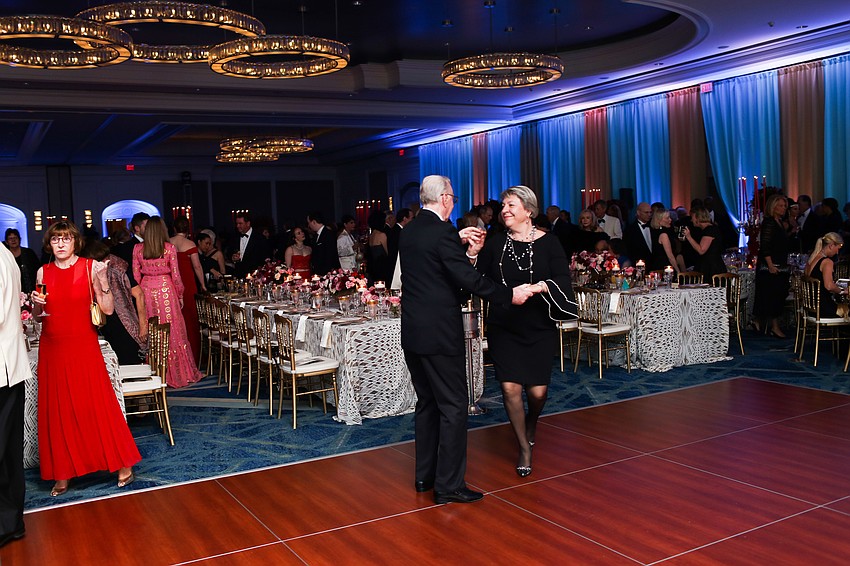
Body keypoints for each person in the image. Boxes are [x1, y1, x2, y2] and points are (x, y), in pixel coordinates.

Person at [399, 174, 534, 505]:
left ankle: (424, 476)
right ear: (445, 199)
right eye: (453, 198)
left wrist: (463, 247)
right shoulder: (442, 233)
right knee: (454, 406)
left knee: (427, 403)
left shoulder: (411, 230)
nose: (453, 203)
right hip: (439, 334)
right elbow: (468, 281)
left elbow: (437, 269)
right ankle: (448, 485)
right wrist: (509, 295)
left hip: (414, 331)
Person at [31, 221, 140, 497]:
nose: (61, 244)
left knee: (96, 404)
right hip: (52, 348)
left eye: (66, 239)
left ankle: (122, 463)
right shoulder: (43, 271)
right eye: (55, 239)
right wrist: (36, 306)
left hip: (83, 345)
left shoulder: (90, 267)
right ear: (49, 244)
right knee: (59, 410)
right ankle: (62, 472)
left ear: (75, 242)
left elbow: (108, 310)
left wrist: (102, 281)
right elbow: (38, 317)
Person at [477, 186, 576, 478]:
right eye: (504, 206)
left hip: (539, 324)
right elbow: (477, 278)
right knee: (510, 388)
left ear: (528, 211)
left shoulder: (550, 243)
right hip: (504, 325)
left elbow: (563, 279)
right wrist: (472, 253)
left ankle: (531, 423)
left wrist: (539, 287)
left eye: (511, 205)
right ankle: (523, 447)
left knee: (538, 392)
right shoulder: (495, 243)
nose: (504, 210)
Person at [133, 216, 202, 388]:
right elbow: (176, 276)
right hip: (166, 291)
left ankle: (155, 371)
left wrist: (141, 294)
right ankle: (178, 373)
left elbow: (135, 276)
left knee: (153, 329)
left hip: (146, 291)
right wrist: (180, 295)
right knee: (173, 331)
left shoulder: (138, 248)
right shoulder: (169, 248)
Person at [0, 243, 30, 546]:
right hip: (8, 368)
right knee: (8, 451)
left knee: (5, 450)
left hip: (2, 369)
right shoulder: (5, 254)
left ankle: (7, 524)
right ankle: (11, 523)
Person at [79, 240, 147, 365]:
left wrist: (143, 326)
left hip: (123, 321)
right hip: (104, 322)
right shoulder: (92, 270)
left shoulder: (118, 268)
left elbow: (139, 294)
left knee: (127, 359)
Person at [169, 217, 206, 364]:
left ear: (174, 228)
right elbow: (197, 266)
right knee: (190, 319)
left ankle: (177, 357)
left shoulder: (167, 242)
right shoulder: (190, 244)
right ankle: (192, 356)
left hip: (172, 282)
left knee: (175, 318)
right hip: (188, 283)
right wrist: (202, 284)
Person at [753, 194, 791, 337]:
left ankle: (760, 322)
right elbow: (765, 246)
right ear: (773, 207)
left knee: (777, 295)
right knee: (772, 295)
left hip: (780, 263)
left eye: (784, 206)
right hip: (771, 265)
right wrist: (770, 265)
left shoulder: (779, 222)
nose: (783, 208)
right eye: (780, 206)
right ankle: (774, 327)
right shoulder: (769, 222)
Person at [804, 232, 845, 318]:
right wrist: (842, 291)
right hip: (824, 308)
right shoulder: (827, 262)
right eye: (837, 248)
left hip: (811, 308)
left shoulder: (811, 260)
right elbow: (829, 286)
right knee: (847, 310)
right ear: (831, 246)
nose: (837, 252)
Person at [682, 207, 727, 281]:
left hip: (711, 268)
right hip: (707, 265)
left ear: (698, 217)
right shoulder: (705, 230)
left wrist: (689, 237)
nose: (691, 220)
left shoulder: (710, 230)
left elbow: (701, 250)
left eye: (692, 217)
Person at [231, 212, 272, 279]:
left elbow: (265, 258)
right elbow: (229, 252)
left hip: (255, 277)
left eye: (240, 223)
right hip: (239, 276)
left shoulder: (260, 238)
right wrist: (233, 257)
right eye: (237, 224)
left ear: (248, 223)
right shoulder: (235, 237)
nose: (237, 226)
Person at [3, 229, 39, 295]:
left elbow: (37, 269)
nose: (13, 240)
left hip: (30, 290)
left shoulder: (29, 253)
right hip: (13, 290)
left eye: (15, 238)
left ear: (20, 239)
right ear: (7, 242)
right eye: (10, 238)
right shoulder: (5, 256)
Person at [648, 209, 682, 273]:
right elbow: (670, 256)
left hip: (658, 266)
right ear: (659, 220)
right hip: (664, 268)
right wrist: (678, 271)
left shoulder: (656, 231)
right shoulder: (663, 235)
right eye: (667, 218)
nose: (670, 220)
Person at [306, 212, 339, 276]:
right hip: (319, 272)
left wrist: (326, 273)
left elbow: (330, 255)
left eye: (309, 223)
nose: (308, 226)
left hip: (327, 272)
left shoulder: (328, 234)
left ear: (314, 222)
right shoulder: (316, 236)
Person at [366, 209, 391, 285]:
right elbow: (387, 252)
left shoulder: (371, 236)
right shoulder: (381, 235)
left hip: (373, 267)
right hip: (382, 267)